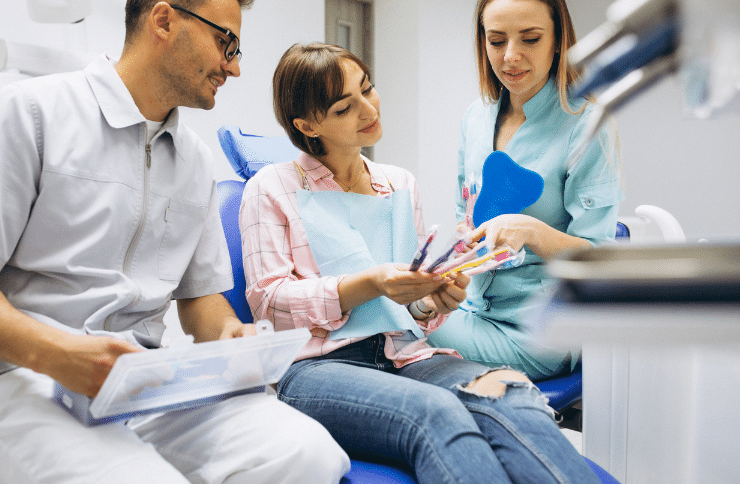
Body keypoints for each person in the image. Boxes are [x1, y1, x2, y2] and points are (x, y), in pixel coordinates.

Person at [0, 0, 349, 483]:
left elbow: (202, 302)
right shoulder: (33, 113)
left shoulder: (193, 159)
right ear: (164, 22)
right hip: (22, 378)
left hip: (146, 382)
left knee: (309, 454)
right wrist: (61, 355)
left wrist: (235, 341)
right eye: (225, 43)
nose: (233, 68)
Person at [240, 42, 601, 484]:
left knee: (511, 394)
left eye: (367, 89)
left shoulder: (397, 184)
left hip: (405, 354)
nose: (367, 108)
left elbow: (410, 312)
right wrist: (371, 282)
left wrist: (433, 301)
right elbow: (269, 302)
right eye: (343, 107)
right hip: (315, 368)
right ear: (307, 124)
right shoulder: (270, 188)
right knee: (438, 412)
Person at [427, 0, 624, 381]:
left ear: (557, 42)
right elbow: (464, 212)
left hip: (543, 327)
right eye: (496, 41)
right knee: (401, 314)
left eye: (530, 39)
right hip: (475, 308)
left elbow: (601, 263)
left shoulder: (588, 125)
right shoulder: (476, 117)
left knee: (395, 328)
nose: (510, 56)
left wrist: (531, 231)